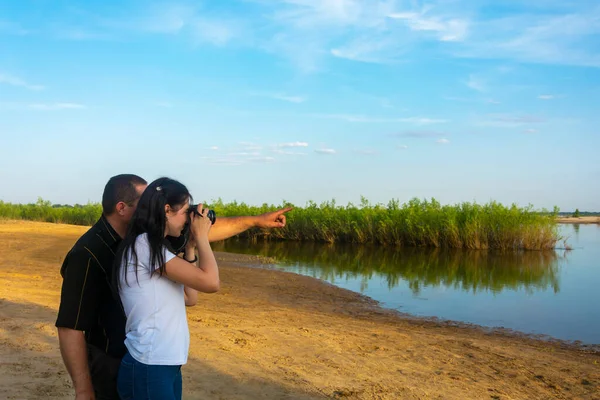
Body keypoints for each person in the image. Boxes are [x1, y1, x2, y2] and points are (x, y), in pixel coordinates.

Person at [55, 174, 291, 400]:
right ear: (121, 208)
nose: (152, 205)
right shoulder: (91, 252)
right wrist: (83, 389)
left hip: (145, 356)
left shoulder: (150, 240)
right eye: (145, 201)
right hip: (117, 359)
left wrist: (255, 221)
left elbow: (192, 287)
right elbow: (70, 326)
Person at [114, 177, 218, 399]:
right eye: (184, 212)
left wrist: (190, 247)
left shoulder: (156, 251)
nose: (186, 220)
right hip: (150, 364)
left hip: (164, 363)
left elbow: (190, 297)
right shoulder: (145, 247)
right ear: (167, 210)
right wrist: (202, 237)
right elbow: (211, 282)